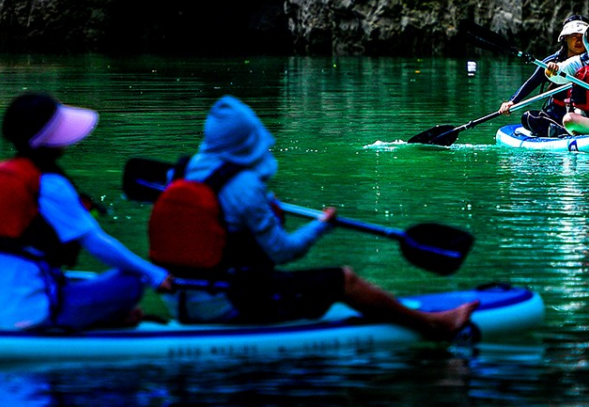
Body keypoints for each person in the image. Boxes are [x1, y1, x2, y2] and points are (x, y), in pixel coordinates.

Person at [155, 95, 478, 339]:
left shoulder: (181, 172)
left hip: (179, 299)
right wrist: (320, 226)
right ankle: (435, 325)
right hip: (228, 302)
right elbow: (283, 252)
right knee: (344, 279)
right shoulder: (246, 187)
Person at [0, 92, 174, 330]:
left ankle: (103, 318)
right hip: (30, 316)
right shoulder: (49, 183)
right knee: (131, 281)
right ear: (51, 139)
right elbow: (96, 243)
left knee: (87, 279)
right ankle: (105, 321)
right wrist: (156, 275)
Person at [499, 14, 588, 137]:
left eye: (582, 37)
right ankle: (561, 131)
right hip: (556, 113)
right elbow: (532, 83)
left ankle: (568, 130)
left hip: (587, 113)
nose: (578, 41)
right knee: (529, 117)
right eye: (574, 36)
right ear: (565, 38)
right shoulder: (551, 62)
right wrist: (512, 102)